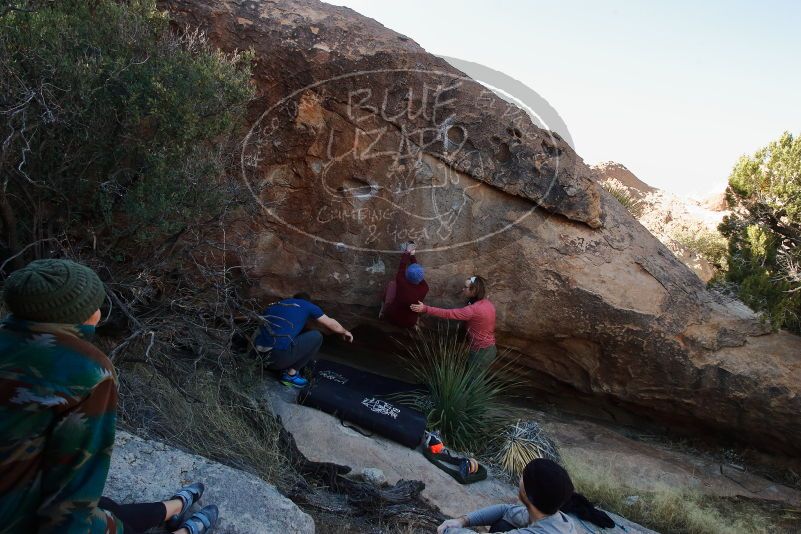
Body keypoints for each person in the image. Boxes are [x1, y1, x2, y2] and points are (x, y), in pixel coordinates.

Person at [0, 259, 219, 534]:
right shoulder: (86, 369)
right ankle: (182, 528)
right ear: (78, 315)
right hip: (15, 516)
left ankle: (172, 507)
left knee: (106, 507)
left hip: (20, 488)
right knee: (101, 519)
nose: (99, 311)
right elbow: (73, 495)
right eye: (94, 305)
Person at [436, 458, 576, 534]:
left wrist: (449, 530)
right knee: (503, 523)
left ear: (529, 495)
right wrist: (462, 521)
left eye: (523, 476)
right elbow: (505, 510)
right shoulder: (549, 515)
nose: (520, 479)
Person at [254, 292, 353, 388]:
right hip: (276, 359)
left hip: (256, 357)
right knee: (316, 336)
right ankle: (290, 376)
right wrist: (344, 331)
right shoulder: (308, 306)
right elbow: (331, 323)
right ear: (308, 301)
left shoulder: (276, 305)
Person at [410, 275, 497, 367]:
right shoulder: (487, 303)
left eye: (465, 287)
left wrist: (425, 308)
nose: (463, 289)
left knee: (471, 380)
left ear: (474, 290)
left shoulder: (472, 310)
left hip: (480, 353)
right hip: (490, 348)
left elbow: (448, 313)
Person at [379, 241, 429, 328]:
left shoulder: (401, 283)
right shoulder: (425, 288)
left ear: (407, 274)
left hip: (392, 317)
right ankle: (416, 324)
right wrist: (412, 256)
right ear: (421, 278)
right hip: (410, 323)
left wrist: (407, 252)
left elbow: (402, 266)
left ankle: (383, 311)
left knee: (392, 285)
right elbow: (418, 274)